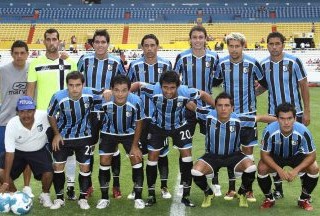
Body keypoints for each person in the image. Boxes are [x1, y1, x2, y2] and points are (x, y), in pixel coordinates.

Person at [131, 71, 216, 207]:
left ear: (178, 86)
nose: (168, 91)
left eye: (172, 88)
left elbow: (204, 95)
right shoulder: (153, 89)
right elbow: (137, 85)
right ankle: (152, 195)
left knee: (187, 157)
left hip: (180, 127)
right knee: (152, 158)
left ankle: (186, 196)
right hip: (158, 127)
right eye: (165, 87)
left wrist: (217, 108)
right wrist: (124, 94)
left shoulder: (186, 91)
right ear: (161, 85)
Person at [190, 92, 276, 208]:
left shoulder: (239, 119)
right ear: (215, 107)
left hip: (234, 156)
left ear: (232, 108)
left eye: (227, 105)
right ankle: (208, 193)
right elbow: (192, 106)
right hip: (211, 156)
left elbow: (260, 118)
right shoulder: (208, 116)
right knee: (196, 171)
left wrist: (283, 121)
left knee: (251, 167)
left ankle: (242, 193)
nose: (223, 109)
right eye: (220, 105)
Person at [214, 32, 267, 201]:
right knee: (231, 152)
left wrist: (254, 93)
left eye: (237, 46)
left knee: (248, 153)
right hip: (229, 116)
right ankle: (231, 189)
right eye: (231, 46)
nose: (234, 49)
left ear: (243, 46)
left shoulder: (253, 63)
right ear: (227, 46)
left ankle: (248, 189)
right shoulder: (221, 63)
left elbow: (265, 84)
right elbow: (215, 83)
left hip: (249, 115)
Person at [27, 28, 78, 200]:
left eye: (54, 39)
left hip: (66, 115)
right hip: (42, 115)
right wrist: (28, 116)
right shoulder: (35, 63)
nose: (51, 42)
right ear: (44, 41)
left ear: (59, 41)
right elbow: (29, 92)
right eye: (48, 39)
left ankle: (70, 186)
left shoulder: (70, 63)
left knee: (68, 152)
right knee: (43, 153)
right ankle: (45, 192)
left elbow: (76, 89)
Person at [258, 31, 311, 199]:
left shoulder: (294, 61)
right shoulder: (264, 64)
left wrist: (307, 112)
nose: (274, 47)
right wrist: (251, 93)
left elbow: (303, 86)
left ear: (283, 44)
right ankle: (278, 190)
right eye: (271, 44)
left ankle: (304, 191)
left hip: (295, 114)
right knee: (274, 152)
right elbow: (265, 86)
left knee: (299, 151)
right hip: (274, 115)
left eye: (277, 44)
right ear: (267, 45)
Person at [77, 29, 127, 199]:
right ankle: (88, 185)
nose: (100, 45)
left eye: (103, 42)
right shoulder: (84, 60)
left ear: (108, 44)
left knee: (112, 150)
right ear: (92, 44)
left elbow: (123, 84)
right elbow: (76, 80)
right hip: (89, 111)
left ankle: (116, 184)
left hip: (109, 111)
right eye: (96, 42)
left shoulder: (116, 62)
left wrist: (111, 91)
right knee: (88, 149)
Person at [47, 71, 106, 210]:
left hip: (83, 137)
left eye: (78, 85)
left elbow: (105, 95)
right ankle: (60, 199)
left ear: (83, 85)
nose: (74, 89)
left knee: (85, 167)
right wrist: (56, 134)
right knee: (58, 167)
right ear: (67, 85)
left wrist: (107, 93)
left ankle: (83, 198)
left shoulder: (90, 93)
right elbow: (50, 115)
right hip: (63, 137)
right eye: (71, 85)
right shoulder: (58, 96)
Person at [174, 25, 219, 195]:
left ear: (206, 39)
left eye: (201, 37)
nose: (198, 40)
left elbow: (218, 80)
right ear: (190, 39)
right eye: (195, 37)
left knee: (213, 145)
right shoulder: (182, 57)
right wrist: (185, 101)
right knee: (184, 145)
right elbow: (174, 82)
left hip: (208, 109)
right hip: (188, 108)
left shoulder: (214, 57)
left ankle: (214, 181)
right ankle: (184, 180)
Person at [127, 34, 172, 200]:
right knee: (136, 154)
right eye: (146, 45)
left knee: (161, 154)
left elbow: (171, 89)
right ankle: (136, 187)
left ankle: (164, 186)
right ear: (142, 47)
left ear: (158, 47)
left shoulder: (166, 65)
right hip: (139, 118)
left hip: (159, 118)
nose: (149, 48)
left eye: (152, 45)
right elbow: (127, 88)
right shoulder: (134, 65)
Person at [257, 103, 319, 211]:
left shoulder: (303, 131)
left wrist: (296, 170)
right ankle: (269, 198)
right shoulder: (269, 131)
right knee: (262, 167)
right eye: (282, 118)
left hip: (296, 156)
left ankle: (304, 199)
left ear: (295, 118)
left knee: (314, 168)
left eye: (289, 118)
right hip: (276, 156)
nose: (286, 122)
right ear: (277, 119)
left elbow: (312, 155)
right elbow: (264, 155)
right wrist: (279, 170)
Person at [96, 75, 145, 209]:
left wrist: (135, 146)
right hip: (109, 133)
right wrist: (103, 92)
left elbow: (139, 123)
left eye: (124, 90)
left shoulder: (136, 101)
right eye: (116, 90)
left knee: (136, 158)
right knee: (104, 160)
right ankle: (104, 198)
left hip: (129, 133)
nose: (120, 94)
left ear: (129, 90)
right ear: (111, 89)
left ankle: (138, 197)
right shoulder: (104, 99)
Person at [0, 96, 53, 208]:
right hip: (18, 151)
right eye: (22, 112)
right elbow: (9, 153)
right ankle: (14, 195)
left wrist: (57, 134)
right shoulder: (12, 124)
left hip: (38, 150)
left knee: (48, 172)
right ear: (17, 112)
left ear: (35, 110)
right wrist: (5, 181)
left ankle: (45, 194)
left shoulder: (44, 116)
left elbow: (55, 119)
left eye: (29, 111)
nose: (26, 115)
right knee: (1, 171)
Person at [0, 40, 34, 198]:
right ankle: (8, 190)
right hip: (5, 121)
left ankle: (27, 187)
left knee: (27, 155)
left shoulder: (33, 69)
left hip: (26, 122)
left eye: (22, 53)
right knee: (3, 158)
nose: (19, 56)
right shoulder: (3, 71)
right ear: (11, 54)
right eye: (16, 53)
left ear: (28, 54)